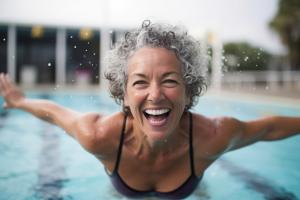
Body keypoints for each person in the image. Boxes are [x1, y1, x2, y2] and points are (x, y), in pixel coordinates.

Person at [0, 20, 300, 199]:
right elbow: (54, 112)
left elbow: (267, 128)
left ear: (190, 89)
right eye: (140, 82)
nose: (155, 95)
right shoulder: (99, 135)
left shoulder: (213, 136)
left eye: (169, 81)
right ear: (124, 94)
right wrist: (19, 102)